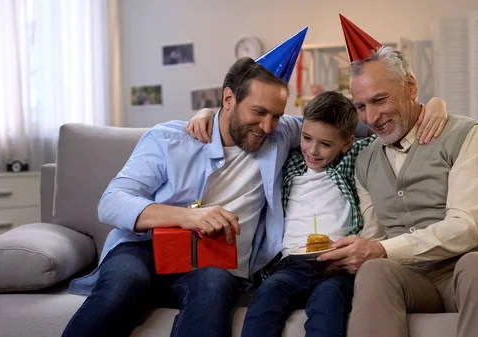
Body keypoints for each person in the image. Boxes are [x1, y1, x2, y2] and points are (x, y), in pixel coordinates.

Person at [61, 28, 309, 337]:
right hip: (144, 251)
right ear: (229, 99)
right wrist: (188, 217)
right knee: (123, 284)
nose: (268, 126)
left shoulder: (281, 134)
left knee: (215, 284)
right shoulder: (170, 139)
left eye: (277, 115)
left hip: (213, 264)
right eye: (258, 112)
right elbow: (111, 202)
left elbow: (339, 124)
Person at [316, 15, 478, 337]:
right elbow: (376, 235)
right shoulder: (365, 159)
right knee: (374, 271)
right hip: (414, 279)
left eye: (380, 100)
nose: (371, 117)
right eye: (361, 106)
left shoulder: (467, 135)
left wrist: (383, 250)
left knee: (476, 265)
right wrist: (350, 254)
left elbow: (466, 229)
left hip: (476, 267)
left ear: (411, 87)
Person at [241, 91, 445, 337]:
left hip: (338, 265)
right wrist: (207, 113)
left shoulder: (352, 159)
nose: (313, 151)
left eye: (325, 144)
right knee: (268, 294)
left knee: (328, 300)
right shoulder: (290, 161)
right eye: (306, 138)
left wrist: (435, 104)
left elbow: (390, 134)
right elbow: (263, 129)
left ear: (346, 143)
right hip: (291, 264)